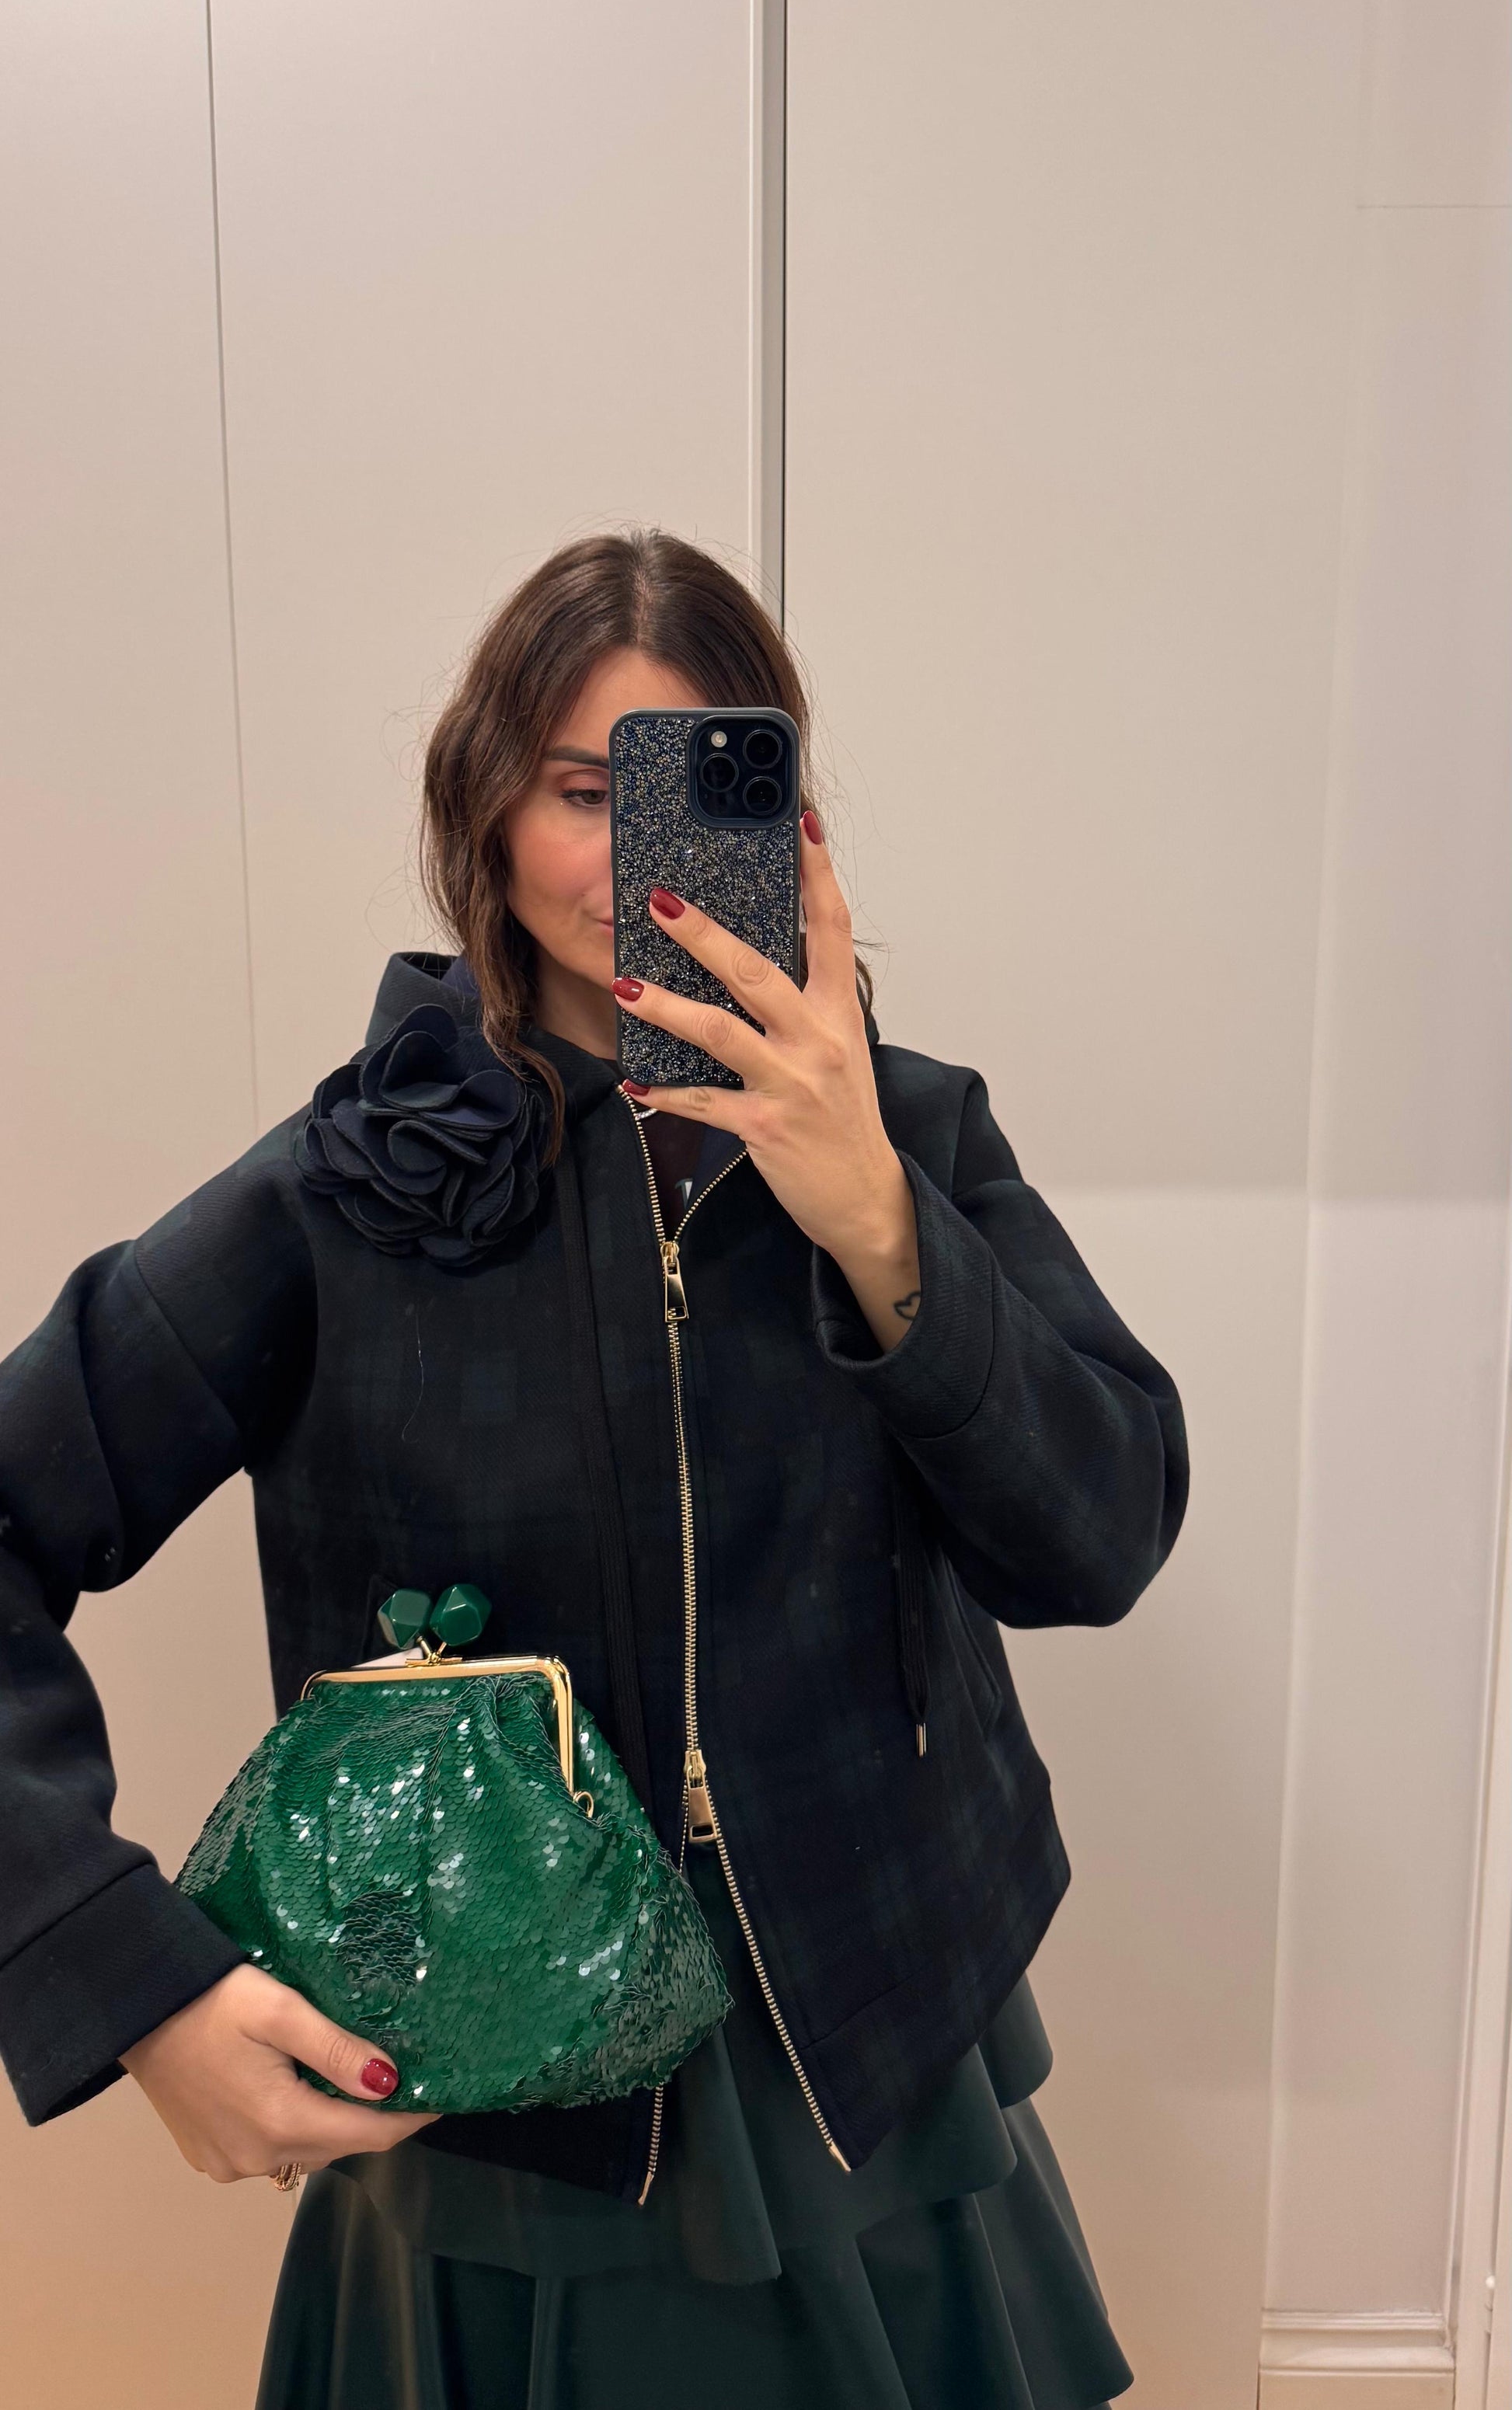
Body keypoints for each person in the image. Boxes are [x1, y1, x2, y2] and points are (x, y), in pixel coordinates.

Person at [0, 530, 1188, 2410]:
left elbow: (1101, 1533)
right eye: (580, 790)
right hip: (498, 2084)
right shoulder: (343, 1189)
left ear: (787, 822)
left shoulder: (910, 1134)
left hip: (872, 2056)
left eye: (701, 789)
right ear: (482, 806)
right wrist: (120, 1973)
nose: (641, 856)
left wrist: (877, 1218)